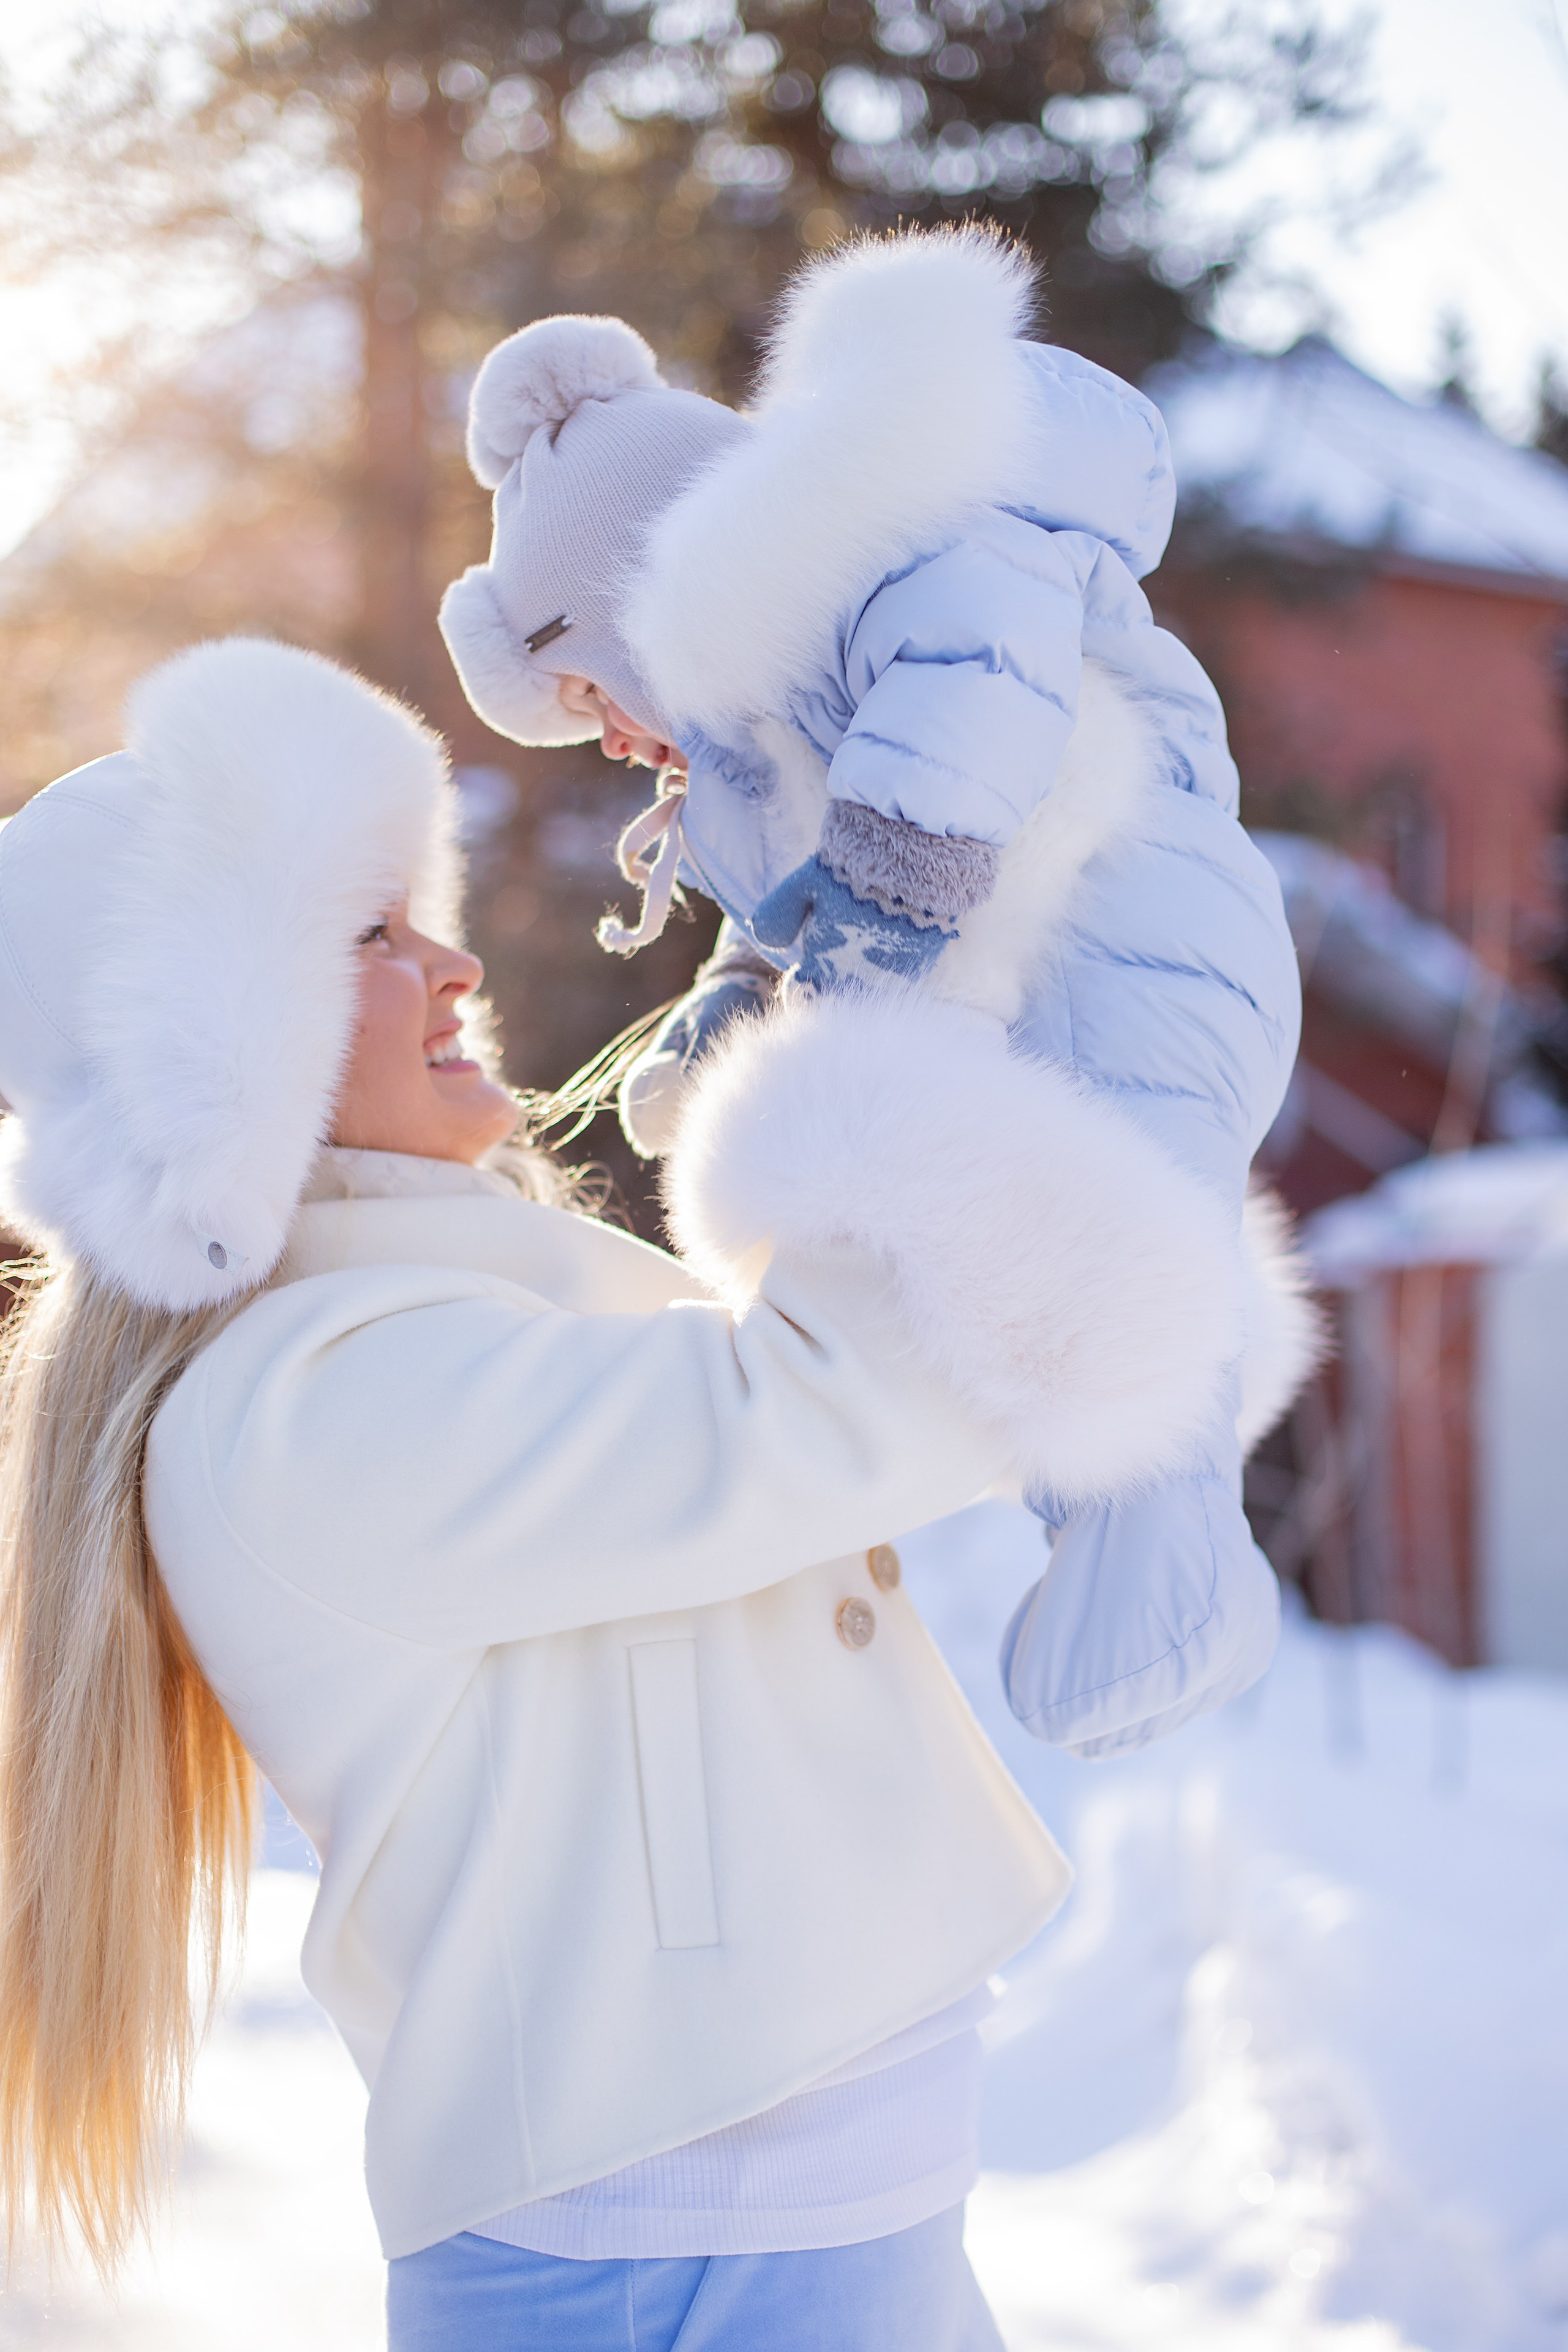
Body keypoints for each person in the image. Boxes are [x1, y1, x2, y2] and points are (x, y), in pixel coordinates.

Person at [0, 636, 1248, 2346]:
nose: (449, 962)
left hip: (770, 2203)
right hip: (690, 2237)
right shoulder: (301, 1405)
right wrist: (939, 940)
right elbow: (822, 1409)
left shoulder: (411, 1313)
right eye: (367, 934)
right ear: (207, 1041)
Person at [437, 224, 1313, 1760]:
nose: (611, 744)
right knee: (1013, 1254)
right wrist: (737, 998)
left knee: (1117, 1225)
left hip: (1139, 922)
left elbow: (982, 650)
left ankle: (1169, 1569)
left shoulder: (881, 547)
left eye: (589, 695)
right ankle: (1123, 1540)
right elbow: (796, 914)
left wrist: (898, 866)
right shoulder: (761, 741)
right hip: (1050, 959)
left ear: (639, 593)